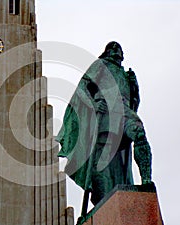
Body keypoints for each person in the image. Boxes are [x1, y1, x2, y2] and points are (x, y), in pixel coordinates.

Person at [56, 41, 153, 207]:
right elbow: (82, 88)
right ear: (106, 52)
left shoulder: (125, 74)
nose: (115, 50)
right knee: (103, 162)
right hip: (106, 112)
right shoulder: (101, 65)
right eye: (112, 47)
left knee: (139, 132)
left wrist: (134, 87)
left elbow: (133, 102)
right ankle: (103, 201)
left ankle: (146, 180)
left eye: (118, 48)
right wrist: (93, 104)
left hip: (124, 112)